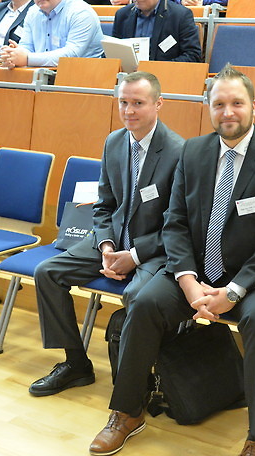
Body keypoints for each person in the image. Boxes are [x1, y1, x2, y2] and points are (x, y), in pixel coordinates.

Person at [89, 64, 255, 456]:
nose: (228, 112)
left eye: (237, 103)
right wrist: (188, 282)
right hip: (197, 271)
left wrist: (234, 291)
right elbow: (174, 222)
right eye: (219, 104)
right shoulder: (194, 152)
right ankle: (127, 411)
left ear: (254, 107)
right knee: (145, 303)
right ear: (209, 107)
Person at [30, 71, 186, 398]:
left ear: (158, 104)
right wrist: (105, 246)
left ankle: (139, 382)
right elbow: (103, 205)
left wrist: (134, 256)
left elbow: (178, 224)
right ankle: (76, 363)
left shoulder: (179, 152)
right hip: (111, 241)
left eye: (138, 103)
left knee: (138, 297)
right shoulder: (114, 142)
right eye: (123, 102)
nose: (129, 111)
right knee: (47, 272)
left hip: (152, 251)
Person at [0, 0, 105, 67]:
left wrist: (27, 58)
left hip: (82, 75)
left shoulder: (81, 13)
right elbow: (27, 46)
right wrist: (14, 55)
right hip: (41, 75)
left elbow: (71, 55)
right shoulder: (33, 12)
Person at [112, 0, 202, 62]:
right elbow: (113, 54)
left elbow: (193, 56)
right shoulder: (122, 15)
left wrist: (156, 68)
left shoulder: (180, 16)